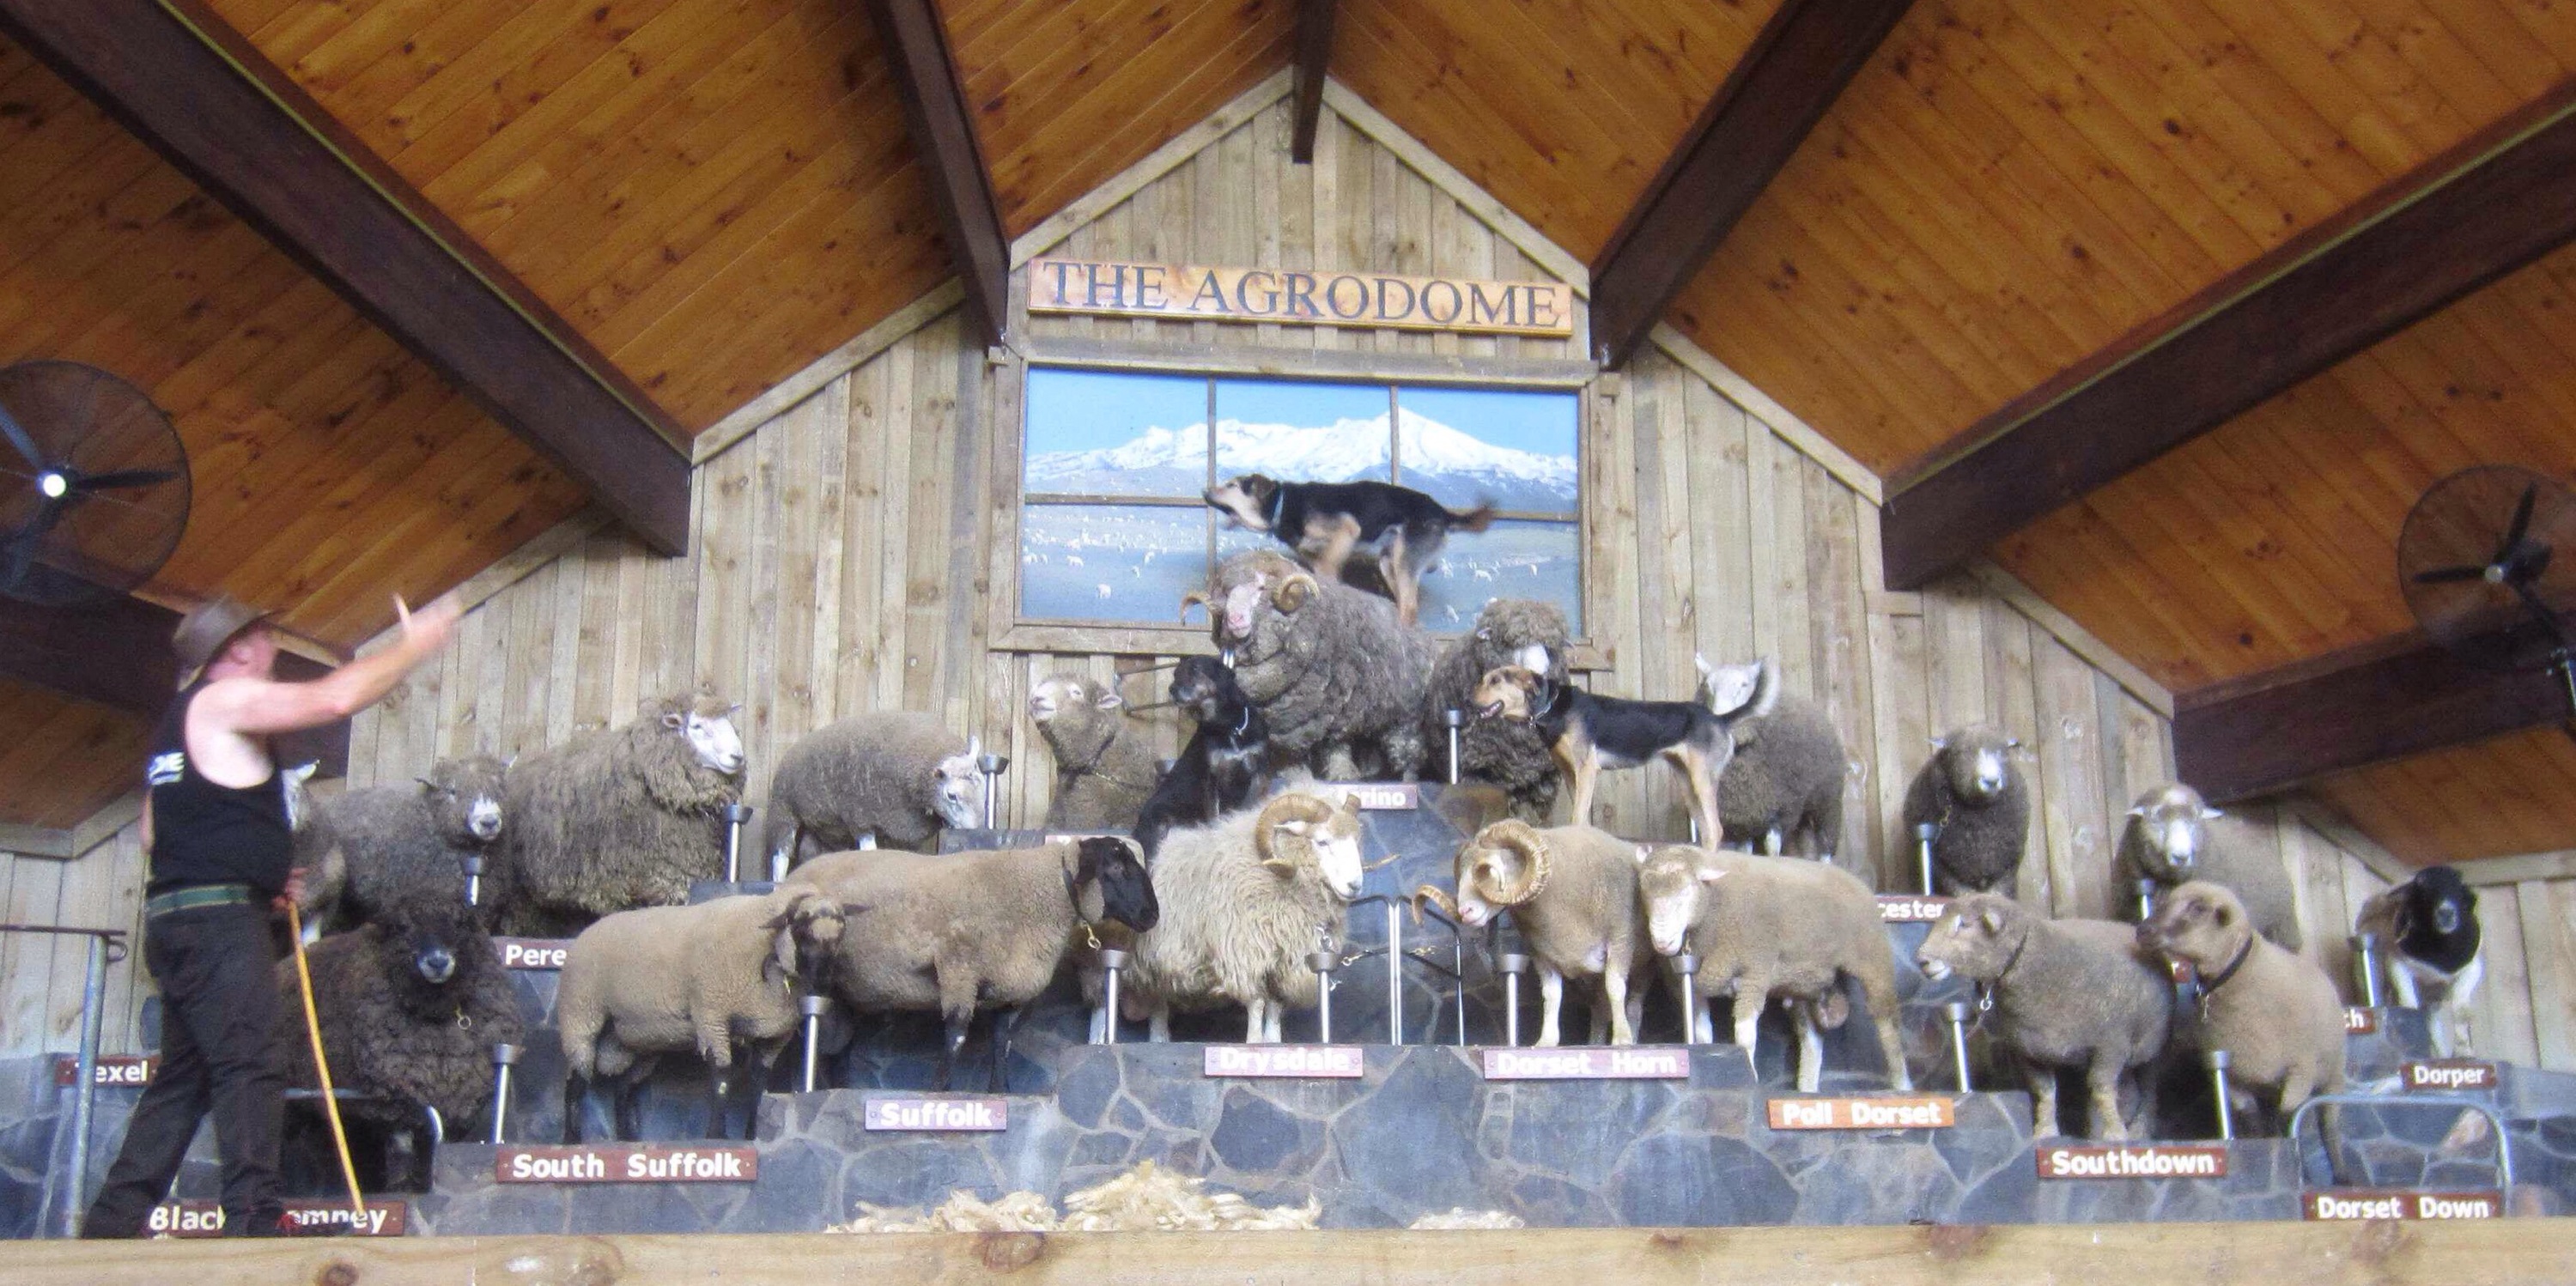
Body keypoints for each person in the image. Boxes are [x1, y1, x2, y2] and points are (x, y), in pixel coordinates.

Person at [81, 591, 458, 1239]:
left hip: (178, 921)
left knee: (184, 1082)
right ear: (236, 648)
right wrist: (412, 647)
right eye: (264, 636)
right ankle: (253, 1223)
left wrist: (252, 868)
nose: (273, 647)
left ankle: (110, 1230)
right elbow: (335, 699)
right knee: (251, 1063)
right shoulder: (224, 699)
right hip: (219, 928)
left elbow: (153, 832)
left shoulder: (178, 720)